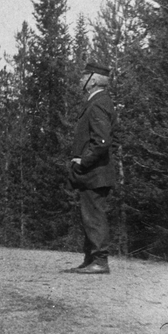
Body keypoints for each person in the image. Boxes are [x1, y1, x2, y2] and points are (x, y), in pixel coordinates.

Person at [66, 59, 116, 275]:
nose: (79, 79)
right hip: (94, 173)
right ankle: (90, 259)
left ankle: (100, 261)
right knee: (90, 215)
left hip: (95, 172)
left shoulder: (98, 103)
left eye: (83, 76)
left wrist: (83, 161)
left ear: (93, 80)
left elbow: (101, 142)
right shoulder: (97, 102)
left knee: (94, 216)